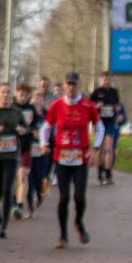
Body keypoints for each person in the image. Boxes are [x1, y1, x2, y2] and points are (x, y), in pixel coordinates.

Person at [39, 71, 103, 249]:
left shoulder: (87, 105)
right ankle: (63, 235)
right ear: (64, 86)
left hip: (80, 157)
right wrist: (44, 143)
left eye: (74, 84)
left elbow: (100, 127)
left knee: (79, 197)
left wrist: (95, 148)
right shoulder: (57, 105)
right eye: (68, 84)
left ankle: (79, 223)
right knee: (64, 197)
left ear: (79, 86)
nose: (71, 88)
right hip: (62, 157)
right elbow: (46, 126)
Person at [0, 83, 25, 238]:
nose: (6, 95)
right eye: (3, 92)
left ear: (12, 95)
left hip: (11, 155)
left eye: (9, 93)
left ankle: (4, 227)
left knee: (8, 187)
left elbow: (26, 127)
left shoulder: (17, 112)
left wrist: (22, 130)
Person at [89, 72, 125, 185]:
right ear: (101, 80)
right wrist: (96, 106)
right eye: (104, 79)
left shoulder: (114, 92)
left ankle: (108, 173)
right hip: (100, 122)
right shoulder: (96, 92)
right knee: (100, 149)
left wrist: (118, 114)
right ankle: (100, 173)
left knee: (108, 148)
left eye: (108, 79)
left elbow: (118, 106)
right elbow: (89, 106)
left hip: (110, 122)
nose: (106, 81)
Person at [12, 83, 40, 219]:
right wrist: (14, 127)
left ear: (29, 96)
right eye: (20, 94)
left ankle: (20, 204)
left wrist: (33, 131)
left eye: (25, 95)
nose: (22, 97)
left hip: (26, 146)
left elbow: (36, 125)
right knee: (12, 178)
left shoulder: (31, 109)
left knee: (23, 176)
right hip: (11, 147)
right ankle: (12, 201)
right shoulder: (11, 107)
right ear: (16, 94)